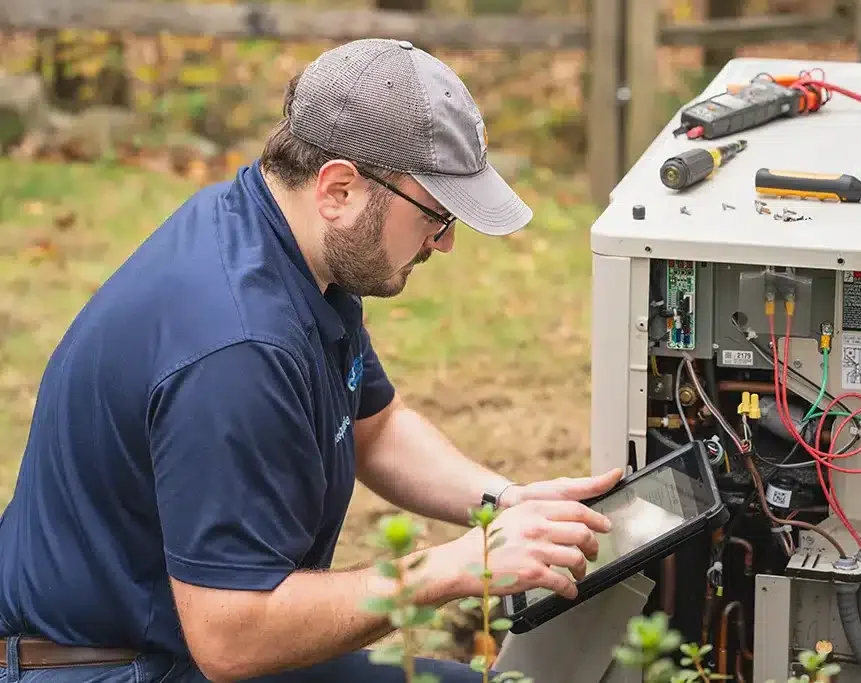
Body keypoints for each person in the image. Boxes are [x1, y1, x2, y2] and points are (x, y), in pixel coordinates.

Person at [0, 38, 623, 683]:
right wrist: (457, 567)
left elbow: (372, 427)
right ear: (339, 188)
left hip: (176, 639)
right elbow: (231, 638)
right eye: (435, 215)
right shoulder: (238, 350)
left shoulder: (284, 238)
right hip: (109, 665)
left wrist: (503, 502)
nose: (446, 242)